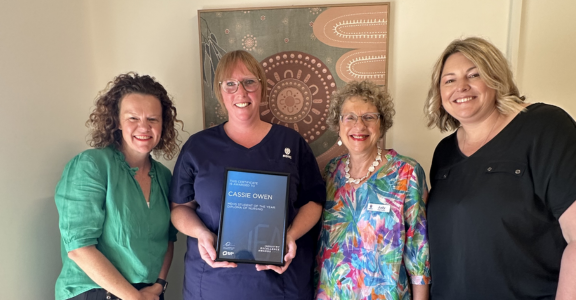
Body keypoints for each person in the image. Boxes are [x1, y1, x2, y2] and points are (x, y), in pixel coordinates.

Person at [424, 37, 576, 299]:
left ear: (495, 78)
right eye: (449, 80)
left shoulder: (544, 127)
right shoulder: (444, 152)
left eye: (474, 74)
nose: (461, 87)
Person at [170, 50, 326, 300]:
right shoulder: (197, 147)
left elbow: (314, 202)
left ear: (262, 88)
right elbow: (180, 208)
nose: (241, 92)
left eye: (249, 82)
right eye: (230, 84)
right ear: (220, 92)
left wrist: (291, 236)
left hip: (282, 283)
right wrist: (201, 234)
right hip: (213, 284)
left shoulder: (291, 142)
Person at [54, 72, 183, 300]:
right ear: (117, 122)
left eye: (153, 119)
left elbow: (168, 239)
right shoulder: (91, 165)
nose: (144, 127)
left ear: (163, 125)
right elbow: (79, 248)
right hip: (94, 291)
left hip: (148, 293)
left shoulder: (164, 176)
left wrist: (159, 285)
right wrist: (133, 297)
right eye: (133, 118)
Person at [315, 80, 430, 300]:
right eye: (349, 117)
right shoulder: (331, 172)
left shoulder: (406, 172)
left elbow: (418, 249)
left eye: (369, 117)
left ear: (382, 124)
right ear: (338, 125)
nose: (359, 126)